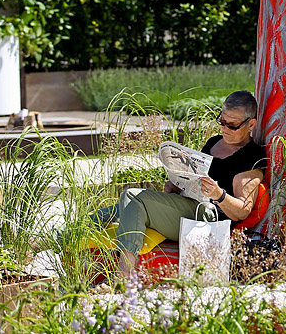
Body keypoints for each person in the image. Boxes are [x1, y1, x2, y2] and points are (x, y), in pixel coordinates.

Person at [93, 90, 267, 276]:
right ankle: (65, 238)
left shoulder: (251, 156)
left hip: (207, 217)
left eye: (232, 125)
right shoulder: (214, 142)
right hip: (188, 204)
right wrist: (176, 183)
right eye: (222, 121)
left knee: (132, 197)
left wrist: (219, 194)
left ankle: (124, 276)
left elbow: (242, 210)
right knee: (120, 206)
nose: (224, 128)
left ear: (251, 124)